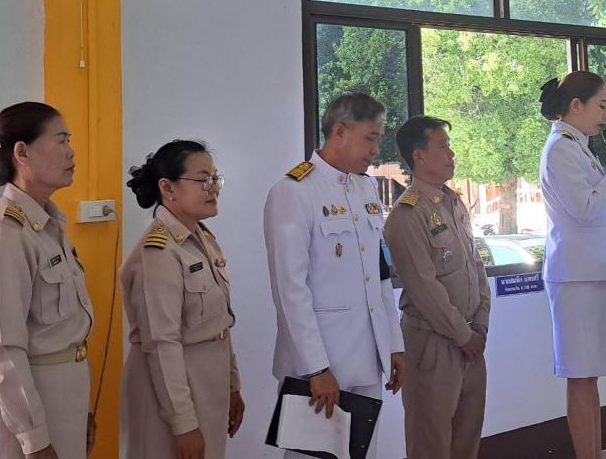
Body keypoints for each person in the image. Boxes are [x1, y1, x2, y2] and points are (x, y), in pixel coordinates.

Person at [263, 92, 405, 458]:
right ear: (340, 131)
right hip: (321, 365)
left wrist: (393, 345)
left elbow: (379, 274)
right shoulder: (294, 191)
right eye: (370, 138)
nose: (376, 150)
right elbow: (290, 289)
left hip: (367, 358)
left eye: (379, 138)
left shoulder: (365, 188)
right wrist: (316, 368)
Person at [0, 102, 95, 459]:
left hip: (61, 400)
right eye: (61, 140)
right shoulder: (6, 233)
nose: (71, 152)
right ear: (22, 152)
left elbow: (64, 334)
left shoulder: (48, 226)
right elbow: (4, 348)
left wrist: (81, 409)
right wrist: (34, 439)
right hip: (22, 417)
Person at [120, 139, 244, 459]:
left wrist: (232, 386)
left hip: (207, 383)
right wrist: (183, 424)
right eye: (202, 180)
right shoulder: (158, 252)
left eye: (215, 179)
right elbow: (162, 343)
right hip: (170, 393)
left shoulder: (201, 239)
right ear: (168, 188)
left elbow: (220, 323)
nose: (212, 188)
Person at [383, 116, 490, 459]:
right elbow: (425, 289)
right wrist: (464, 336)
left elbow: (476, 266)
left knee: (466, 443)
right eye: (443, 146)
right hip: (433, 345)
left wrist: (480, 325)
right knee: (430, 445)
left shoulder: (455, 203)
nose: (451, 153)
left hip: (471, 342)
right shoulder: (407, 215)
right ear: (420, 156)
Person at [538, 72, 606, 459]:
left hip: (590, 272)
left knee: (589, 375)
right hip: (575, 277)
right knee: (579, 375)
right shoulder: (560, 149)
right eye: (601, 106)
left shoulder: (577, 146)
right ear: (576, 106)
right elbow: (585, 208)